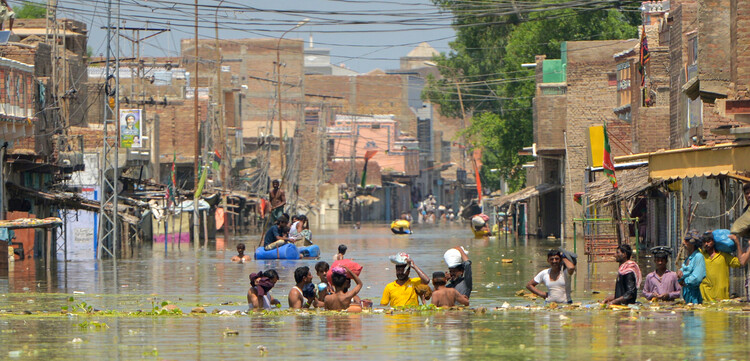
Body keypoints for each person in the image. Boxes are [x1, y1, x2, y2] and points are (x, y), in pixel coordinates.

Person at [699, 230, 749, 302]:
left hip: (721, 295)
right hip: (705, 295)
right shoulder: (701, 255)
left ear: (714, 242)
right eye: (704, 242)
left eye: (709, 241)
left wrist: (737, 243)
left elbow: (739, 263)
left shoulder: (723, 255)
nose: (706, 244)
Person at [677, 230, 706, 304]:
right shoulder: (688, 258)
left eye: (686, 241)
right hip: (686, 295)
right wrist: (679, 273)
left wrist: (685, 282)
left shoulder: (698, 257)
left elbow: (697, 278)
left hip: (694, 296)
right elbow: (682, 272)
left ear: (692, 243)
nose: (684, 243)